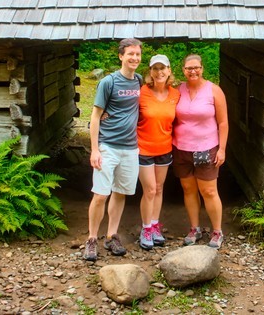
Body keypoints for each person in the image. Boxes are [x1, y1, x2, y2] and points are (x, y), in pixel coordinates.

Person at [83, 38, 143, 261]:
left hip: (130, 148)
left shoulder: (138, 81)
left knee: (120, 193)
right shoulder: (108, 82)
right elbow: (96, 116)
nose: (134, 58)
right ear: (121, 56)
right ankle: (91, 239)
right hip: (107, 146)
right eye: (130, 54)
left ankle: (112, 235)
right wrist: (94, 149)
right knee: (100, 195)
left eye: (137, 54)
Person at [172, 54, 229, 249]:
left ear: (202, 68)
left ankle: (217, 231)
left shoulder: (214, 91)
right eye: (189, 68)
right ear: (183, 70)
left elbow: (223, 122)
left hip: (206, 147)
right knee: (188, 189)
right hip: (181, 148)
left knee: (209, 190)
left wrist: (221, 149)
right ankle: (194, 228)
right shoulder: (179, 90)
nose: (193, 71)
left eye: (196, 67)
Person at [136, 54, 180, 250]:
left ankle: (154, 225)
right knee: (150, 189)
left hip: (165, 148)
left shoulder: (175, 95)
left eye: (163, 68)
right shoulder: (141, 92)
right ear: (150, 72)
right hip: (143, 147)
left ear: (169, 71)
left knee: (159, 188)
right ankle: (145, 228)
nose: (159, 72)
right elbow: (125, 110)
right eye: (155, 68)